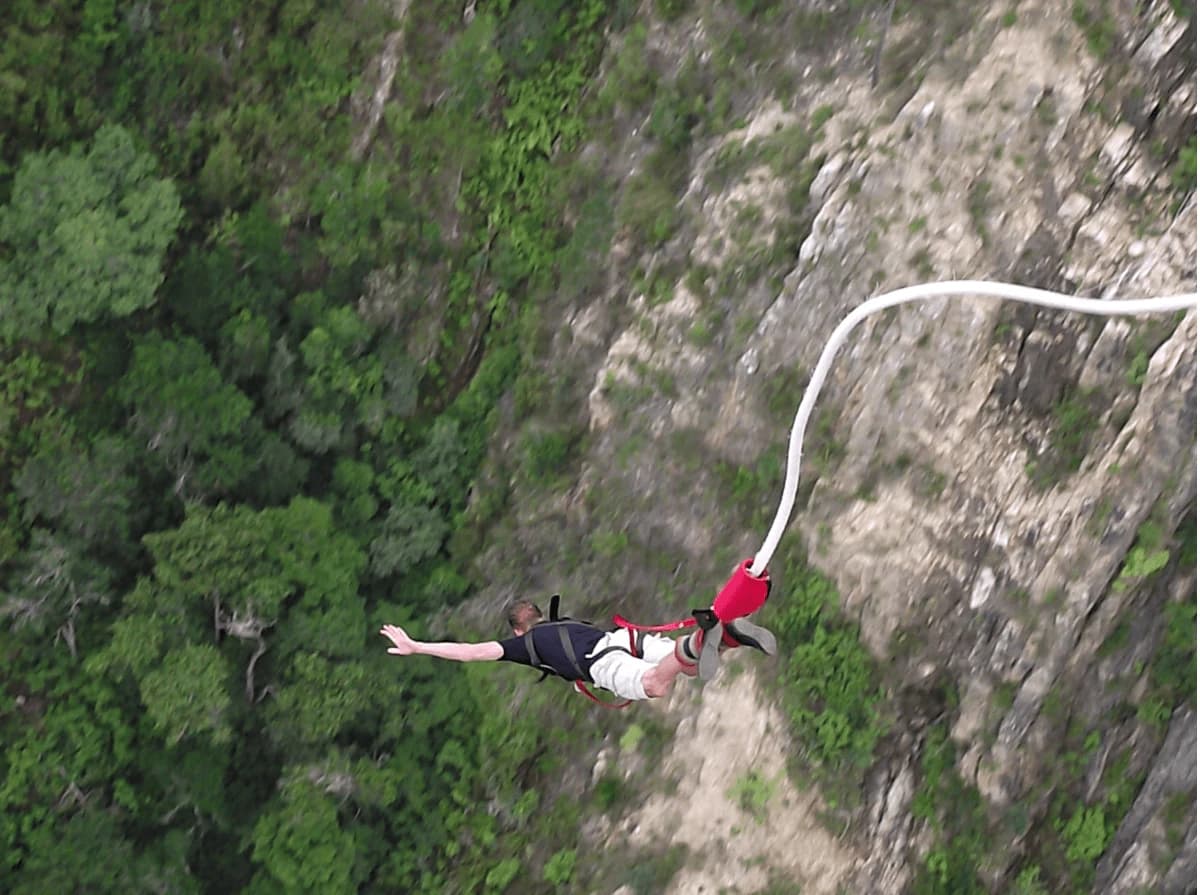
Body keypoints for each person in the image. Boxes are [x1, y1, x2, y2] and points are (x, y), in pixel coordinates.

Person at [380, 597, 776, 702]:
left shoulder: (523, 644)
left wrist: (416, 646)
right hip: (620, 640)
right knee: (686, 666)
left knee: (657, 684)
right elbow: (571, 655)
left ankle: (707, 636)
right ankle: (728, 637)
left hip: (602, 662)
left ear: (518, 628)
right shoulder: (562, 623)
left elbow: (470, 652)